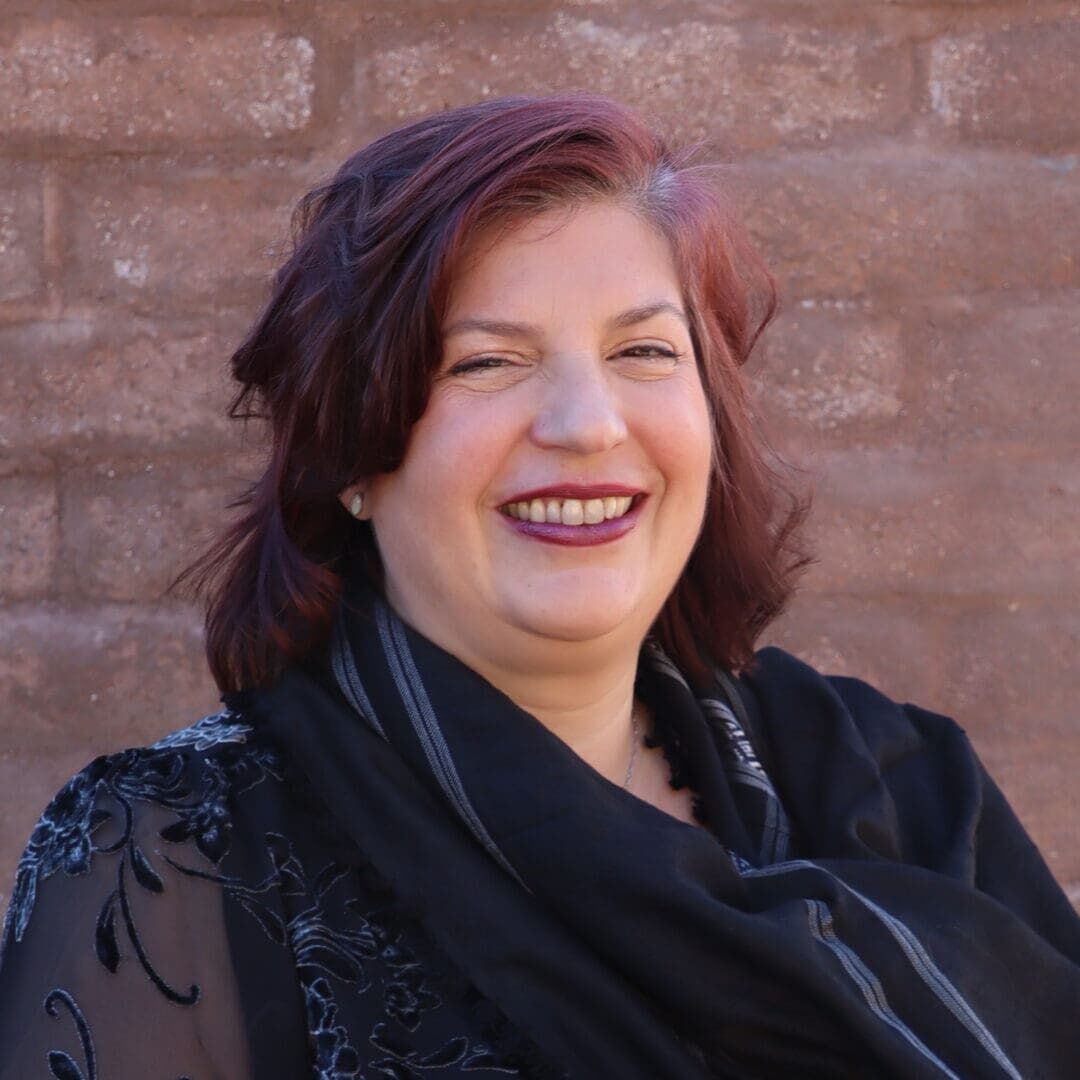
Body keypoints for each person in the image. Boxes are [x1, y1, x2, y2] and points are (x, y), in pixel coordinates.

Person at [1, 94, 1077, 1079]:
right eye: (486, 362)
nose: (587, 423)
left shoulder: (900, 788)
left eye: (645, 351)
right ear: (356, 459)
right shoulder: (173, 864)